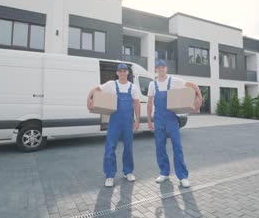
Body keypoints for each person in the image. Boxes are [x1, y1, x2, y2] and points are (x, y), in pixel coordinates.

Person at [147, 60, 203, 188]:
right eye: (158, 68)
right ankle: (164, 172)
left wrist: (200, 97)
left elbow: (193, 85)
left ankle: (183, 176)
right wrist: (150, 120)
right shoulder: (152, 84)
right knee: (160, 146)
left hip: (171, 117)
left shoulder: (173, 81)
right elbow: (150, 103)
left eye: (163, 67)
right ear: (156, 70)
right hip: (158, 118)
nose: (161, 69)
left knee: (177, 146)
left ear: (166, 69)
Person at [87, 63, 140, 187]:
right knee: (110, 148)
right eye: (120, 71)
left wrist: (137, 120)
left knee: (128, 148)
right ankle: (110, 175)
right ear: (117, 73)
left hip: (128, 122)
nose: (122, 73)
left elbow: (136, 104)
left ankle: (128, 172)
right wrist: (89, 99)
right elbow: (96, 89)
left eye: (124, 71)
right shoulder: (111, 84)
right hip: (114, 122)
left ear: (127, 73)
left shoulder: (133, 88)